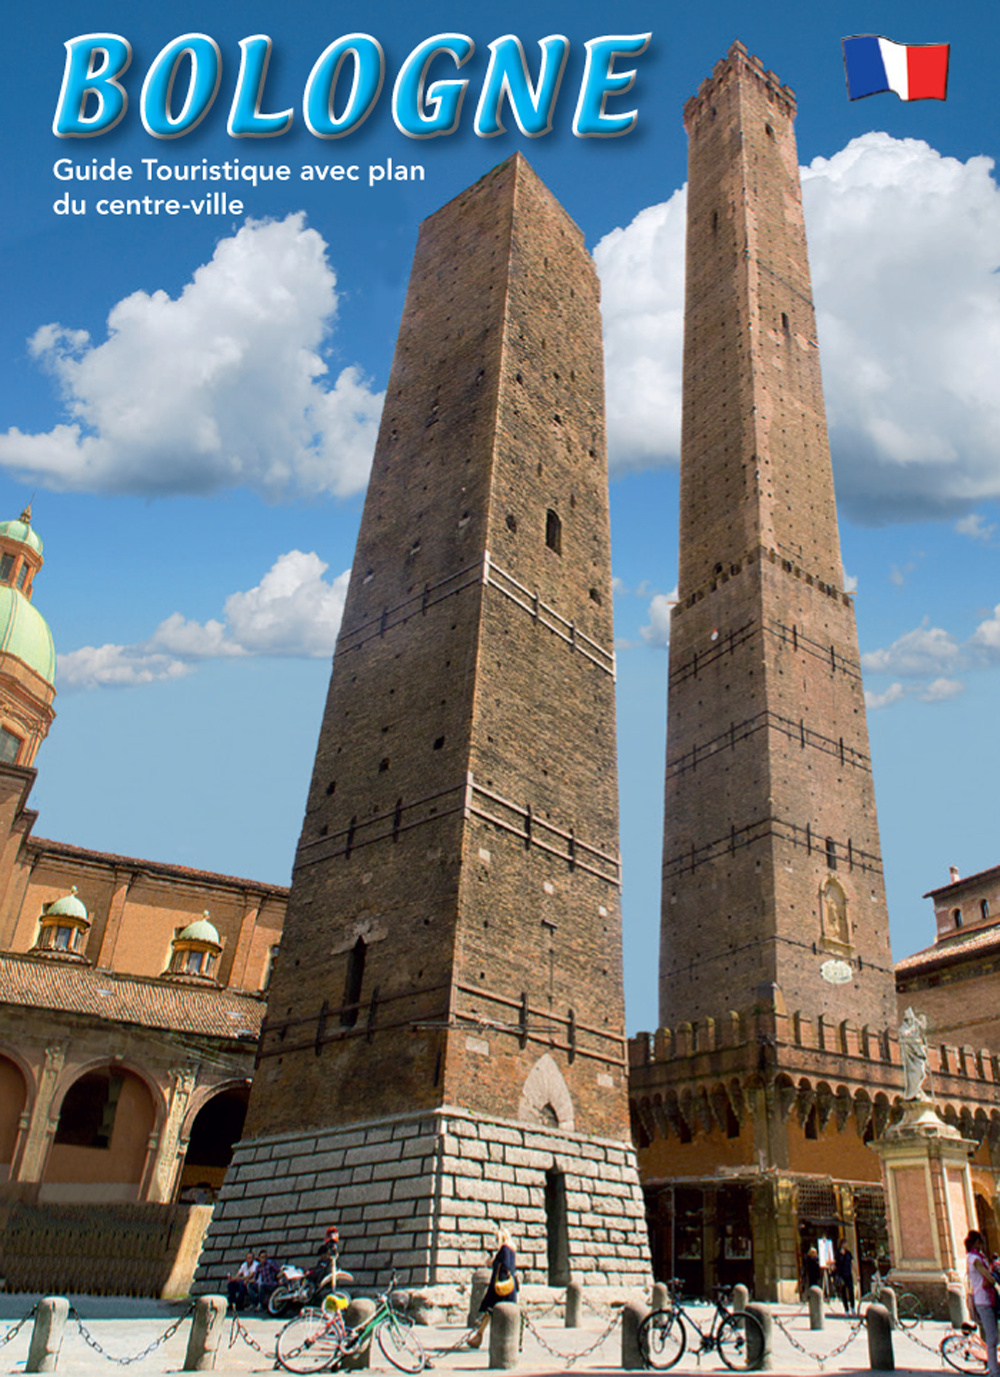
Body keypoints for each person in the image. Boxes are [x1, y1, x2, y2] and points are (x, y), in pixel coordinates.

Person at [469, 1226, 518, 1348]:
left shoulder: (505, 1248)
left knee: (489, 1311)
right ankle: (515, 1342)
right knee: (507, 1312)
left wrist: (494, 1263)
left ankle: (478, 1337)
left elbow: (505, 1264)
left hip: (500, 1287)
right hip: (509, 1286)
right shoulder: (512, 1249)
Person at [966, 1230, 1000, 1377]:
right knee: (992, 1338)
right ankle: (994, 1370)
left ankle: (993, 1366)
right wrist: (991, 1278)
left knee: (993, 1336)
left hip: (988, 1299)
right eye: (981, 1242)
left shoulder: (978, 1257)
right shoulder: (975, 1259)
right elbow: (989, 1279)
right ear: (977, 1242)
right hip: (983, 1301)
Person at [835, 1239, 856, 1314]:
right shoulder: (838, 1254)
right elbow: (835, 1264)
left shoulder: (848, 1253)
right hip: (842, 1275)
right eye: (845, 1243)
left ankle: (853, 1307)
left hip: (849, 1274)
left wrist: (856, 1273)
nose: (846, 1245)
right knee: (843, 1293)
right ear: (842, 1244)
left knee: (851, 1291)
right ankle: (846, 1309)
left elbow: (852, 1263)